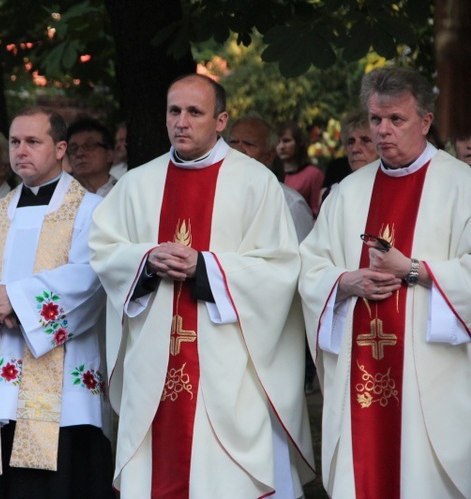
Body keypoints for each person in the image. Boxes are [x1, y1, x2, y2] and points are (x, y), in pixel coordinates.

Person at [89, 74, 314, 498]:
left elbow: (280, 268)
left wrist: (205, 267)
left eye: (195, 112)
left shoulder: (256, 182)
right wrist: (145, 260)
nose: (182, 122)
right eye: (174, 111)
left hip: (226, 366)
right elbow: (102, 250)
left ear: (221, 120)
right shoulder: (139, 183)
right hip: (155, 364)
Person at [299, 67, 471, 498]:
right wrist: (344, 281)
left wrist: (413, 270)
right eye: (376, 120)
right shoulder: (348, 193)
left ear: (426, 121)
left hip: (432, 379)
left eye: (397, 120)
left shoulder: (461, 186)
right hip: (361, 371)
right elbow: (309, 267)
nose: (382, 131)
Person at [0, 106, 114, 498]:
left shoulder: (89, 210)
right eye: (15, 142)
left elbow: (92, 276)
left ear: (59, 149)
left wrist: (17, 300)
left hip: (65, 397)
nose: (21, 150)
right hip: (1, 384)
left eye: (33, 142)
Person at [227, 115, 314, 242]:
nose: (238, 150)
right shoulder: (213, 191)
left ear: (269, 156)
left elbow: (303, 257)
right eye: (233, 142)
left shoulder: (290, 204)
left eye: (249, 144)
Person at [276, 121, 324, 216]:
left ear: (299, 142)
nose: (281, 146)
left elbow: (318, 213)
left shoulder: (313, 174)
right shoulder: (270, 174)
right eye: (278, 142)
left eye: (286, 141)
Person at [67, 117, 118, 197]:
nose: (79, 153)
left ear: (110, 155)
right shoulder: (59, 197)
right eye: (73, 148)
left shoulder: (122, 192)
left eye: (89, 146)